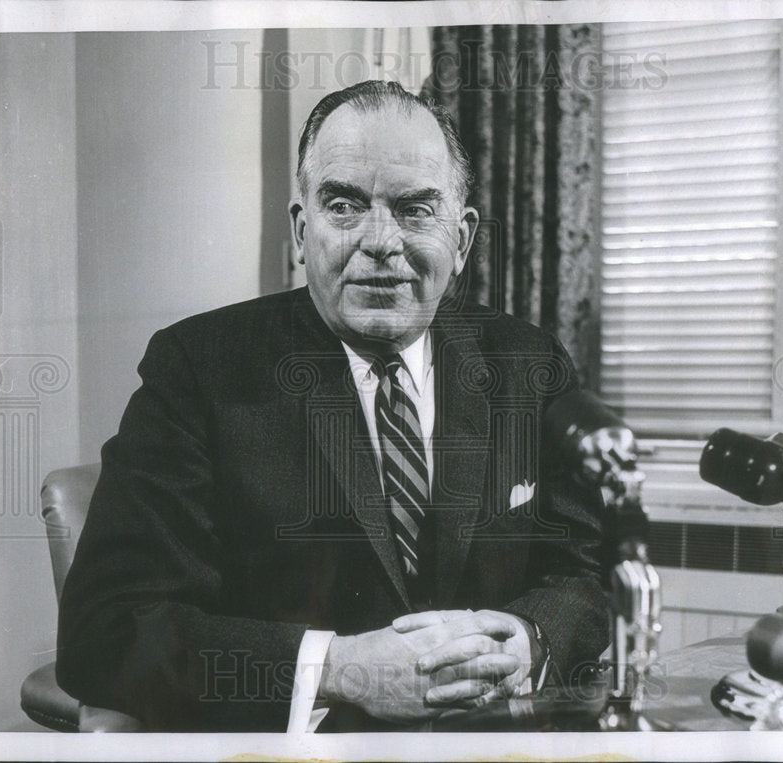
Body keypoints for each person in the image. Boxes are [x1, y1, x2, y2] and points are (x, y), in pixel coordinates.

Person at [56, 80, 609, 732]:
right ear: (301, 228)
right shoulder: (199, 369)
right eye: (345, 205)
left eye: (414, 209)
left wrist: (530, 636)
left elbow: (589, 567)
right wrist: (337, 666)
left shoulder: (527, 364)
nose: (381, 240)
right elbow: (106, 627)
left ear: (460, 241)